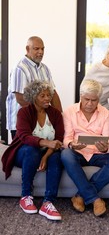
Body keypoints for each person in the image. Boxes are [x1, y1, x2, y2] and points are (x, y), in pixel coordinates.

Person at [2, 80, 64, 221]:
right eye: (42, 96)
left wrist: (46, 156)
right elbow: (24, 137)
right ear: (34, 97)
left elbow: (58, 140)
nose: (47, 98)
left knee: (56, 157)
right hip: (24, 152)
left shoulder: (55, 114)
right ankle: (26, 196)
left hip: (47, 152)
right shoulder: (24, 112)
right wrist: (46, 142)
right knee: (32, 149)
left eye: (49, 95)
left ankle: (48, 202)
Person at [61, 79, 109, 217]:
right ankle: (94, 199)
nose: (90, 104)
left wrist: (105, 149)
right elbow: (67, 138)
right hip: (77, 152)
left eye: (94, 100)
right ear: (80, 97)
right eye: (86, 99)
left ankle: (80, 196)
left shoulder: (106, 114)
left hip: (97, 154)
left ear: (99, 99)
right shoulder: (69, 112)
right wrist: (72, 144)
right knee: (66, 154)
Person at [6, 36, 63, 139]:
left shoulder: (45, 68)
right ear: (28, 49)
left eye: (42, 49)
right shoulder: (20, 68)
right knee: (26, 153)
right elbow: (21, 99)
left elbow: (53, 93)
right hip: (22, 122)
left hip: (42, 122)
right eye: (36, 49)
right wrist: (41, 115)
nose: (40, 52)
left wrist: (60, 116)